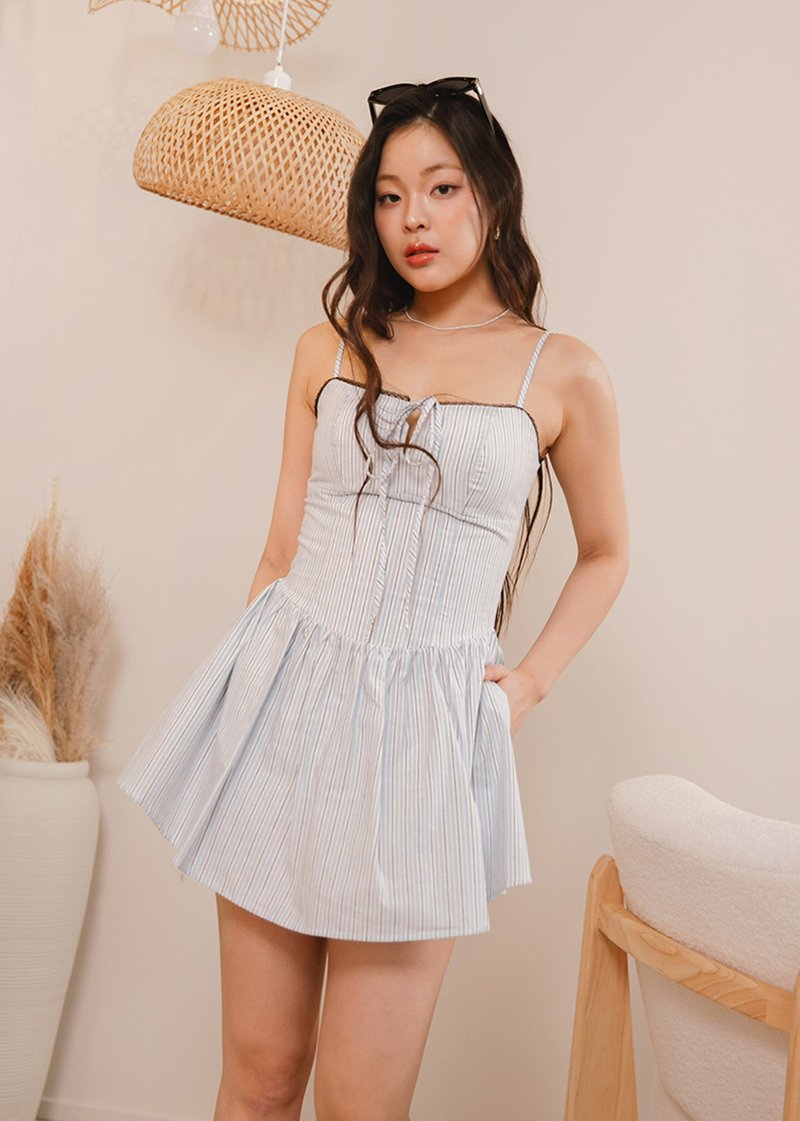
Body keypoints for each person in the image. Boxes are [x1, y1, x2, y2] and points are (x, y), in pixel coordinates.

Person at [117, 76, 629, 1121]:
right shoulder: (329, 346)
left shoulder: (562, 372)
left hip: (424, 745)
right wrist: (240, 709)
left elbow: (607, 551)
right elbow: (280, 549)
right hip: (286, 712)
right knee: (260, 1078)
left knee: (360, 1103)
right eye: (389, 197)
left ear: (492, 193)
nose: (412, 220)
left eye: (440, 188)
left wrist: (524, 685)